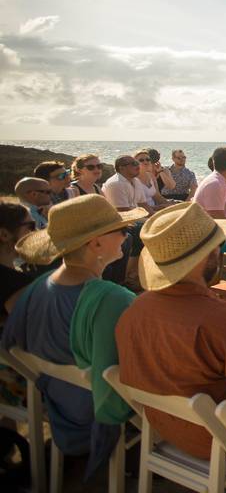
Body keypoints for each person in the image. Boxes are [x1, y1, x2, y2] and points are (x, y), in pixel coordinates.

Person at [2, 195, 143, 479]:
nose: (126, 236)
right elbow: (122, 371)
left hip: (52, 396)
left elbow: (12, 345)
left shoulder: (40, 285)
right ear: (96, 243)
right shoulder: (112, 299)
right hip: (91, 409)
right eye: (122, 231)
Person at [115, 202, 226, 459]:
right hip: (220, 441)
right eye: (219, 246)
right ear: (207, 255)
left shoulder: (135, 310)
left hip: (166, 430)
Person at [0, 203, 35, 409]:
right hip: (15, 378)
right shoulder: (15, 284)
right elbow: (27, 331)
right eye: (30, 226)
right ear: (4, 234)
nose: (36, 232)